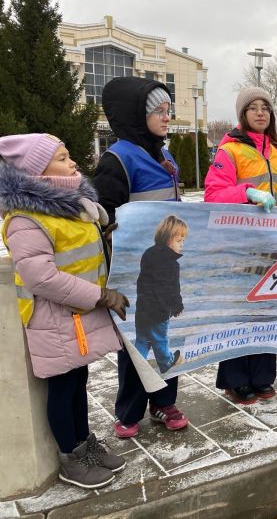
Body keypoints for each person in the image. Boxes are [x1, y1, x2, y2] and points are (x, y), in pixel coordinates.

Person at [0, 134, 128, 489]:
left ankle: (85, 444)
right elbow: (41, 277)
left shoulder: (70, 207)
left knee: (79, 381)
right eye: (62, 157)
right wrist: (101, 296)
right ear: (38, 170)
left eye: (69, 155)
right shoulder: (25, 217)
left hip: (77, 314)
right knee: (63, 384)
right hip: (55, 319)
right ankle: (70, 458)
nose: (73, 162)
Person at [93, 76, 189, 437]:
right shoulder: (118, 158)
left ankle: (164, 403)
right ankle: (129, 409)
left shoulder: (164, 155)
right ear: (137, 115)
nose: (167, 118)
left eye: (168, 110)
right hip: (134, 271)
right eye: (159, 112)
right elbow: (102, 211)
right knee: (136, 340)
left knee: (168, 335)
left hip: (167, 269)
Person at [204, 86, 277, 404]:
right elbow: (213, 195)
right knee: (239, 313)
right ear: (243, 115)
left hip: (269, 242)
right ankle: (235, 380)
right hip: (239, 244)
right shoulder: (229, 149)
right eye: (253, 108)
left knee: (266, 310)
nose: (261, 112)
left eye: (265, 107)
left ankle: (261, 377)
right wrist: (246, 193)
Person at [135, 215, 188, 374]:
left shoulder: (147, 254)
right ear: (167, 239)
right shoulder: (172, 264)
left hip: (143, 308)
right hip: (159, 311)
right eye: (179, 241)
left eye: (183, 241)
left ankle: (136, 364)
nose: (182, 245)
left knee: (143, 339)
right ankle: (166, 362)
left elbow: (142, 281)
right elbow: (172, 289)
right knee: (160, 339)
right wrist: (177, 305)